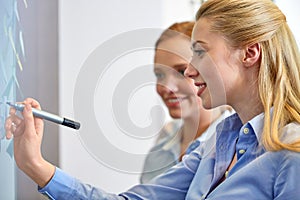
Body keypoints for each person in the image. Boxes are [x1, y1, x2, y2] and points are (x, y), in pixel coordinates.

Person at [5, 0, 300, 199]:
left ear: (250, 53)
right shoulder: (216, 143)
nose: (191, 69)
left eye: (200, 51)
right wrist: (34, 164)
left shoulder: (292, 152)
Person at [141, 21, 233, 183]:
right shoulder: (163, 144)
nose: (166, 87)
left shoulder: (237, 143)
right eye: (160, 75)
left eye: (181, 71)